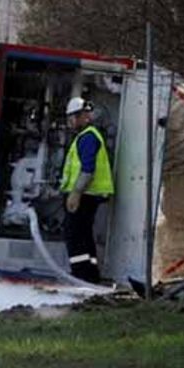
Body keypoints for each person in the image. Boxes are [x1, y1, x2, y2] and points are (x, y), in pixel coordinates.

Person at [59, 97, 114, 284]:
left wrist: (75, 193)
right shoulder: (88, 136)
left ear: (83, 116)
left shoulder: (88, 138)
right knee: (84, 235)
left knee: (75, 236)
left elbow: (87, 169)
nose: (70, 122)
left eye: (73, 118)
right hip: (88, 196)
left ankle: (81, 277)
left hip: (84, 196)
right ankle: (90, 275)